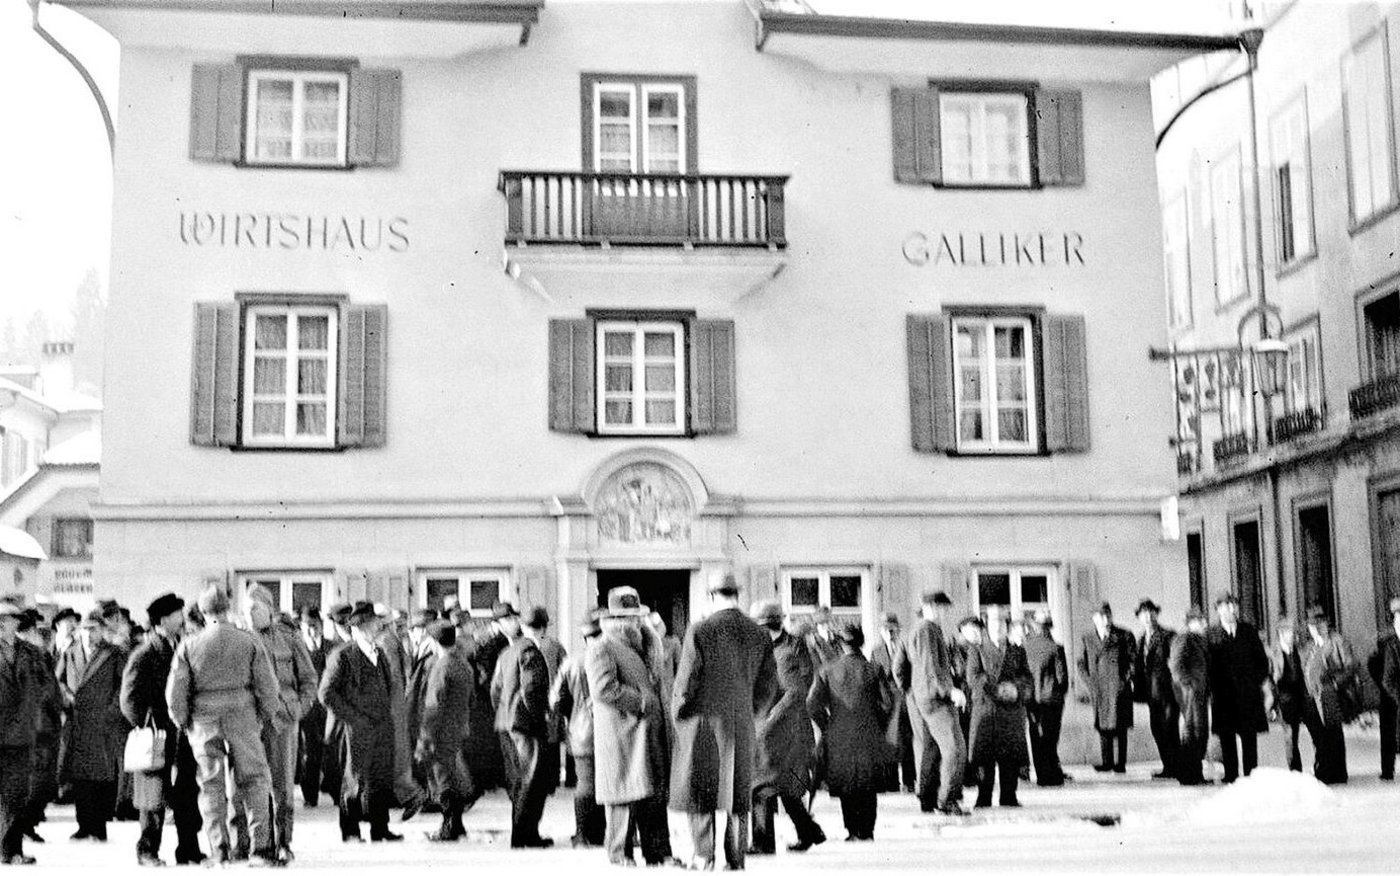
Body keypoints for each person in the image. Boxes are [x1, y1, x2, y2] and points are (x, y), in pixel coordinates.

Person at [165, 586, 281, 867]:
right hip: (242, 716)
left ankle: (219, 850)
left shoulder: (190, 645)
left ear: (203, 612)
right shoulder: (249, 641)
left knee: (210, 785)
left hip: (204, 722)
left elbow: (176, 693)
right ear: (227, 608)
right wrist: (263, 716)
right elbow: (268, 687)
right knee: (254, 780)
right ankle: (261, 849)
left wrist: (184, 721)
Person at [669, 575, 777, 872]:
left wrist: (679, 713)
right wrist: (752, 711)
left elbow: (685, 682)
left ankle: (703, 856)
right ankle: (735, 858)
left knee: (699, 789)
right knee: (737, 792)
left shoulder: (700, 630)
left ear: (712, 596)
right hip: (741, 722)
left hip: (702, 722)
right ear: (736, 595)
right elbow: (769, 685)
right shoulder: (758, 633)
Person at [587, 588, 672, 867]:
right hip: (622, 734)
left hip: (648, 732)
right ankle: (619, 853)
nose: (635, 621)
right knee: (623, 796)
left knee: (652, 795)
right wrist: (642, 702)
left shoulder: (647, 643)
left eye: (637, 616)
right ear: (614, 619)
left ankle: (657, 852)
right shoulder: (602, 647)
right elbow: (603, 688)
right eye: (629, 617)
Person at [119, 593, 204, 866]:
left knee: (187, 794)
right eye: (177, 613)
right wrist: (147, 726)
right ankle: (147, 851)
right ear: (163, 619)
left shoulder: (182, 646)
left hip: (182, 735)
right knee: (152, 798)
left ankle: (188, 849)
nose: (182, 618)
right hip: (156, 737)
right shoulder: (144, 654)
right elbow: (128, 700)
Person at [319, 601, 403, 844]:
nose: (376, 627)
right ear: (356, 629)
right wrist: (354, 719)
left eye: (375, 623)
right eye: (369, 625)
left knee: (380, 778)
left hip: (381, 727)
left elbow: (387, 688)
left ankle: (380, 828)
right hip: (355, 730)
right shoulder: (343, 656)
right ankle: (351, 830)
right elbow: (326, 693)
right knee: (353, 780)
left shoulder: (379, 653)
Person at [244, 588, 317, 862]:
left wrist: (298, 708)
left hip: (283, 722)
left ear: (269, 609)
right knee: (249, 785)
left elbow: (309, 679)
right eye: (246, 609)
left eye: (254, 608)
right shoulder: (242, 640)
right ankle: (252, 843)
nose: (249, 614)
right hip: (252, 721)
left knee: (283, 786)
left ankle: (284, 841)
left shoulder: (289, 638)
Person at [748, 600, 824, 856]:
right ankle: (808, 831)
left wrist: (771, 716)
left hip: (787, 727)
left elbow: (797, 690)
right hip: (765, 724)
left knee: (766, 785)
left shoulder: (794, 647)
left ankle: (763, 842)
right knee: (776, 784)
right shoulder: (759, 647)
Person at [807, 624, 890, 842]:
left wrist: (827, 723)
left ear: (841, 644)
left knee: (847, 783)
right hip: (869, 732)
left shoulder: (827, 670)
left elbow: (812, 704)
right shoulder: (875, 669)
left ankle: (852, 829)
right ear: (861, 643)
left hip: (839, 732)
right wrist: (878, 723)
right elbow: (888, 703)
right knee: (867, 783)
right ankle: (867, 830)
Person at [891, 591, 968, 816]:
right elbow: (930, 667)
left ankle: (927, 798)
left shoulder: (911, 631)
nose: (945, 612)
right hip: (936, 699)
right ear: (933, 606)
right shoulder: (928, 629)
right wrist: (949, 691)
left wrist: (911, 691)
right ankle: (947, 800)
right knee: (955, 749)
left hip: (919, 699)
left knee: (927, 749)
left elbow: (898, 667)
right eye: (943, 607)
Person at [56, 609, 129, 842]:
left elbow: (123, 686)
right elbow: (57, 681)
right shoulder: (70, 653)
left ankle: (98, 826)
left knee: (101, 777)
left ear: (102, 631)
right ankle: (83, 825)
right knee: (80, 778)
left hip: (102, 724)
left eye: (93, 629)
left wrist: (111, 711)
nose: (88, 634)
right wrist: (67, 697)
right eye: (85, 630)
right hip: (77, 722)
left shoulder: (113, 654)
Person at [489, 601, 553, 849]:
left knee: (518, 780)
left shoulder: (508, 651)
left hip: (505, 722)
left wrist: (504, 711)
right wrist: (540, 718)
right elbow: (532, 690)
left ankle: (523, 834)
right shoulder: (531, 652)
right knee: (531, 780)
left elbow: (495, 690)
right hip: (525, 725)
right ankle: (525, 836)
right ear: (543, 628)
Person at [1, 600, 54, 866]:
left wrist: (32, 704)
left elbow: (47, 686)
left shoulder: (32, 652)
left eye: (6, 619)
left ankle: (11, 849)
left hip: (22, 733)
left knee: (17, 793)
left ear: (16, 623)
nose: (1, 623)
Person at [965, 608, 1032, 808]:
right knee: (985, 757)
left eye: (1003, 623)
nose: (999, 626)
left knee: (1010, 756)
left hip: (1010, 711)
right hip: (986, 710)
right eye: (994, 622)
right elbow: (973, 677)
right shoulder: (977, 649)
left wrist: (1016, 689)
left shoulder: (1016, 650)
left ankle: (1008, 796)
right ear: (987, 625)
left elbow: (1026, 677)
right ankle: (984, 797)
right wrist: (998, 689)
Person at [416, 621, 477, 843]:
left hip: (441, 732)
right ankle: (457, 825)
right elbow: (472, 699)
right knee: (454, 776)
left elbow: (434, 706)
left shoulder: (441, 667)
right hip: (459, 728)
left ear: (434, 642)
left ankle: (449, 827)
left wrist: (425, 739)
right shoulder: (463, 664)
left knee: (443, 780)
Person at [1205, 593, 1269, 784]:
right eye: (1226, 606)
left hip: (1247, 695)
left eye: (1234, 606)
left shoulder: (1248, 631)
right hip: (1223, 696)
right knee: (1227, 736)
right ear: (1218, 610)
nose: (1232, 610)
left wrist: (1252, 682)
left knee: (1249, 736)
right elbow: (1207, 666)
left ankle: (1251, 775)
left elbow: (1262, 663)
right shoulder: (1211, 635)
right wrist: (1213, 688)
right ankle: (1231, 774)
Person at [552, 614, 604, 849]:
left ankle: (582, 834)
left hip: (580, 729)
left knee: (585, 783)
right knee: (605, 783)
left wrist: (570, 715)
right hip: (606, 729)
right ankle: (599, 832)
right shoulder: (607, 657)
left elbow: (555, 700)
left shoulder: (572, 661)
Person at [373, 607, 426, 822]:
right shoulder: (391, 639)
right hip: (395, 704)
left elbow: (393, 677)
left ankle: (412, 794)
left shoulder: (385, 640)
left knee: (396, 753)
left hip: (392, 705)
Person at [14, 609, 61, 847]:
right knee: (33, 783)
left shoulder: (40, 655)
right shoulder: (25, 656)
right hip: (33, 729)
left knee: (43, 783)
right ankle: (21, 827)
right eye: (37, 631)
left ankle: (27, 825)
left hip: (46, 728)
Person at [1077, 603, 1135, 773]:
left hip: (1118, 687)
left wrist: (1124, 680)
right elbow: (1081, 664)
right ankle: (1107, 761)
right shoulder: (1087, 639)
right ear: (1094, 618)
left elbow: (1133, 661)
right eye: (1100, 616)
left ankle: (1120, 763)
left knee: (1120, 726)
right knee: (1103, 726)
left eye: (1107, 615)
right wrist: (1090, 683)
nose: (1105, 620)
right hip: (1099, 688)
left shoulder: (1124, 635)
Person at [1301, 609, 1355, 785]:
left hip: (1332, 693)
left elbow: (1351, 666)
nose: (1315, 628)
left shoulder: (1338, 641)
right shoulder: (1310, 647)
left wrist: (1335, 684)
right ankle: (1323, 770)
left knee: (1334, 732)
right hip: (1314, 696)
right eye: (1311, 625)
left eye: (1319, 623)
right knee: (1319, 735)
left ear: (1326, 624)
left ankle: (1338, 772)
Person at [869, 612, 916, 793]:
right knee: (889, 741)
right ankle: (890, 781)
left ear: (898, 630)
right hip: (886, 702)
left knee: (908, 740)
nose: (890, 634)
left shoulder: (905, 647)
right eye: (886, 630)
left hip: (905, 699)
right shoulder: (877, 651)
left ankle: (909, 780)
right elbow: (874, 678)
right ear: (881, 632)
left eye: (893, 630)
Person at [522, 606, 566, 799]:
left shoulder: (519, 647)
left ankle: (535, 780)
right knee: (552, 741)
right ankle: (551, 781)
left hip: (528, 702)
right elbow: (564, 674)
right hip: (552, 701)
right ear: (545, 626)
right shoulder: (555, 646)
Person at [1021, 609, 1067, 786]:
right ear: (1048, 628)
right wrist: (1060, 693)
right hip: (1051, 699)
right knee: (1051, 738)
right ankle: (1051, 775)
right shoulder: (1056, 648)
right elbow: (1062, 678)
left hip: (1032, 700)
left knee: (1035, 737)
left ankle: (1041, 774)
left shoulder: (1025, 646)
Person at [1133, 599, 1179, 780]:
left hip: (1167, 692)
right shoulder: (1141, 639)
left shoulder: (1168, 635)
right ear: (1139, 617)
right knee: (1157, 729)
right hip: (1151, 693)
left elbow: (1175, 662)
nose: (1147, 617)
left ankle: (1176, 766)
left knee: (1170, 729)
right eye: (1143, 614)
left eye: (1151, 613)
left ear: (1156, 614)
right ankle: (1168, 766)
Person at [1168, 609, 1210, 785]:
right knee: (1193, 731)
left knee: (1199, 732)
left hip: (1198, 691)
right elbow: (1176, 666)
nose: (1204, 624)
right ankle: (1188, 774)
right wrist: (1189, 685)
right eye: (1200, 621)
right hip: (1190, 691)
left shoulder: (1199, 640)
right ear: (1190, 623)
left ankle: (1195, 773)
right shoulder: (1184, 638)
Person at [297, 606, 333, 807]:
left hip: (327, 708)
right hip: (307, 708)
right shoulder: (298, 648)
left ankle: (335, 791)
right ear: (302, 627)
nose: (312, 630)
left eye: (316, 625)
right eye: (308, 626)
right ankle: (310, 796)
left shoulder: (330, 646)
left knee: (330, 750)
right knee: (309, 752)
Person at [1270, 618, 1309, 773]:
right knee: (1290, 737)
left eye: (1293, 633)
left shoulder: (1300, 651)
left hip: (1303, 697)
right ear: (1281, 634)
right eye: (1289, 632)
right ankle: (1295, 770)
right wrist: (1272, 704)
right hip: (1285, 700)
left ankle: (1322, 768)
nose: (1292, 636)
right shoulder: (1274, 653)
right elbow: (1270, 681)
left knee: (1315, 731)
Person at [1368, 597, 1400, 781]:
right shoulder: (1385, 641)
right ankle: (1387, 770)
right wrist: (1384, 686)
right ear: (1394, 619)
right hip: (1390, 694)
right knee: (1388, 735)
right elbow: (1373, 663)